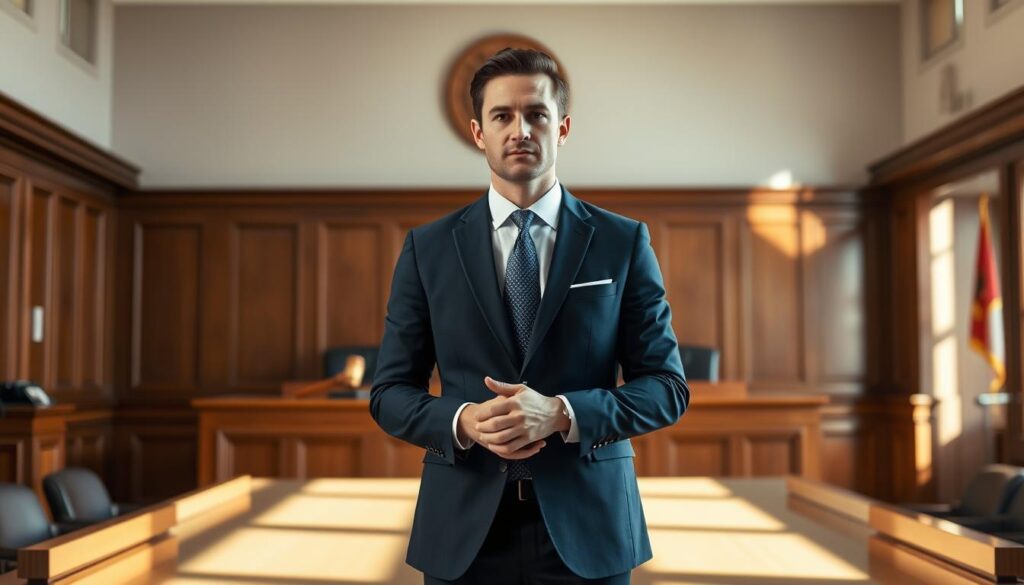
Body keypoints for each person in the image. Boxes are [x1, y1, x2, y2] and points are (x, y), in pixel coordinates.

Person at [369, 47, 688, 585]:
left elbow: (666, 388)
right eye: (502, 116)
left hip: (591, 529)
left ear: (561, 128)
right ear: (478, 133)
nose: (520, 129)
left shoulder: (622, 242)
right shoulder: (428, 249)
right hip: (462, 532)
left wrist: (564, 413)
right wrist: (462, 421)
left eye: (536, 114)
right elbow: (390, 392)